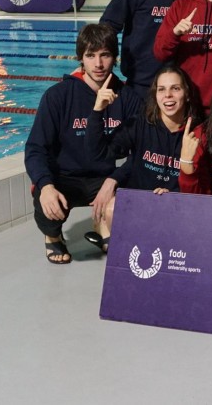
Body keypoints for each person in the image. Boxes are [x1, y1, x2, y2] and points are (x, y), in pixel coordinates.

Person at [24, 24, 141, 264]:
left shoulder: (128, 98)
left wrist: (115, 179)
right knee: (49, 208)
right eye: (90, 55)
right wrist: (45, 186)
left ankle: (102, 223)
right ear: (81, 59)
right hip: (66, 178)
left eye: (105, 55)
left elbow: (140, 151)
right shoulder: (58, 96)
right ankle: (52, 236)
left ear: (114, 58)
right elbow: (36, 148)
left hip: (105, 179)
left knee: (126, 227)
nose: (98, 64)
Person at [83, 65, 197, 251]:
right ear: (155, 95)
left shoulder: (197, 133)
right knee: (111, 209)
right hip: (142, 204)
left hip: (179, 206)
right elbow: (99, 154)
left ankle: (110, 241)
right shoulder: (140, 123)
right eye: (162, 89)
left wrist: (175, 194)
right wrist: (97, 111)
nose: (167, 95)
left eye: (175, 89)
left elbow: (202, 184)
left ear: (187, 94)